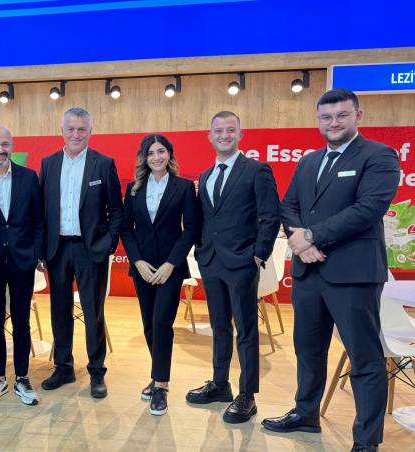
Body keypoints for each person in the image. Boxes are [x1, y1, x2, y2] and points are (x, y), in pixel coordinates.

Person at [262, 89, 400, 452]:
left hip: (353, 273)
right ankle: (305, 413)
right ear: (318, 120)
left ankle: (366, 440)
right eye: (326, 117)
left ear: (358, 116)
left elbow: (368, 208)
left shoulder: (379, 156)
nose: (333, 123)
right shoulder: (309, 161)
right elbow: (288, 206)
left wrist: (311, 237)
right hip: (309, 273)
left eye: (341, 115)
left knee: (364, 358)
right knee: (308, 350)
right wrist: (303, 243)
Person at [187, 111, 280, 423]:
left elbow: (270, 215)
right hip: (211, 261)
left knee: (246, 330)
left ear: (241, 134)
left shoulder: (256, 170)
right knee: (219, 326)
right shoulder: (206, 175)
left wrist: (259, 254)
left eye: (230, 130)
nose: (224, 135)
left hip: (242, 262)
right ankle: (220, 384)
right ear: (210, 136)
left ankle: (247, 395)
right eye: (218, 130)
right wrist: (201, 249)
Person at [39, 107, 123, 398]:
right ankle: (63, 367)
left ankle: (97, 371)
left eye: (82, 129)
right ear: (62, 131)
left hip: (91, 250)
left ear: (90, 131)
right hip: (57, 248)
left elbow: (116, 210)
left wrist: (109, 243)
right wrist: (41, 248)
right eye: (71, 129)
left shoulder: (104, 164)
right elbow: (41, 209)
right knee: (59, 311)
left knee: (93, 311)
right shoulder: (48, 164)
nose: (76, 134)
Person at [120, 134, 200, 415]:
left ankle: (161, 386)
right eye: (151, 153)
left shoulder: (184, 187)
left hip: (170, 268)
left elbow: (191, 228)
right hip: (143, 267)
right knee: (149, 326)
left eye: (161, 151)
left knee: (162, 322)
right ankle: (157, 375)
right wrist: (137, 261)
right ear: (144, 157)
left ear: (169, 154)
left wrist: (171, 264)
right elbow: (125, 228)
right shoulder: (133, 189)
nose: (156, 157)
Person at [0, 125, 44, 406]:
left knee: (21, 321)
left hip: (22, 261)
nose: (0, 150)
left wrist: (37, 254)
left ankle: (22, 377)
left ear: (12, 146)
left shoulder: (29, 177)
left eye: (4, 144)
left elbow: (38, 220)